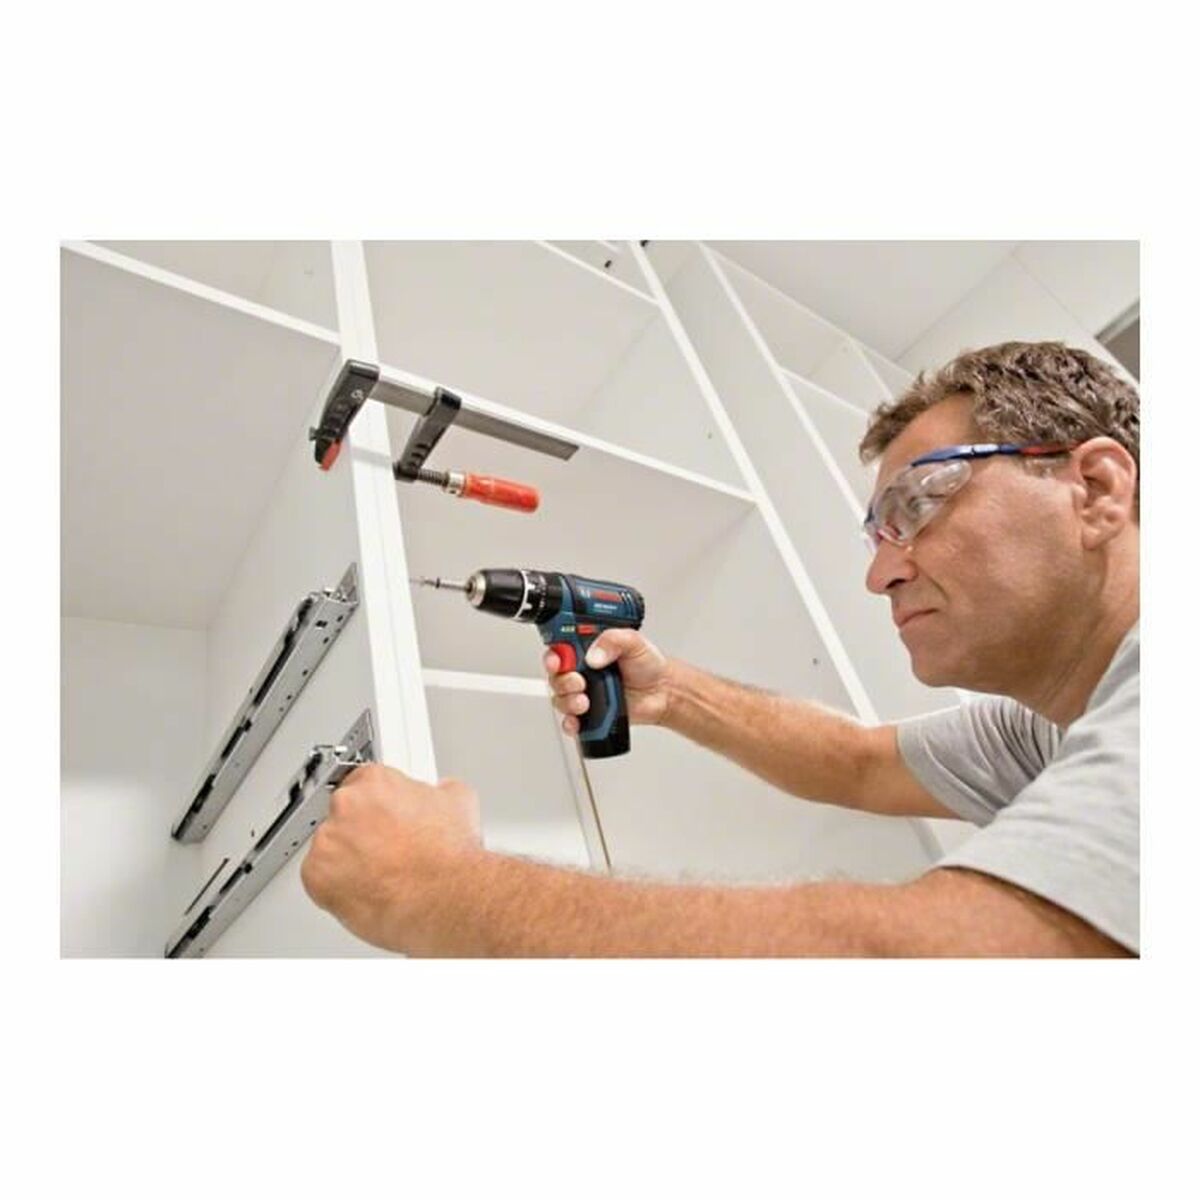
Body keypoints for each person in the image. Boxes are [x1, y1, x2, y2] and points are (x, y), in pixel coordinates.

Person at [300, 341, 1140, 957]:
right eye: (877, 535)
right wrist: (673, 695)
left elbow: (921, 964)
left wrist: (434, 888)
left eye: (917, 505)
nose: (879, 574)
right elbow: (856, 763)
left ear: (1096, 490)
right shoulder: (1043, 732)